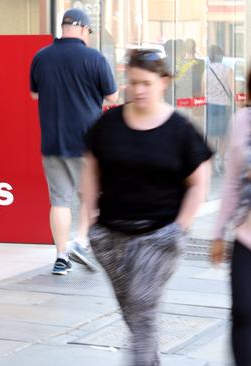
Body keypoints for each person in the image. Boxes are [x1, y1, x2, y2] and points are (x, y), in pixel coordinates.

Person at [83, 49, 212, 365]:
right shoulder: (108, 124)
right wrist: (89, 220)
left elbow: (200, 181)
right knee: (135, 312)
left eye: (146, 83)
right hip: (110, 237)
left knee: (141, 306)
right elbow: (90, 167)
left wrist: (180, 229)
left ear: (164, 82)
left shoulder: (179, 130)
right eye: (132, 83)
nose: (138, 90)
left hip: (159, 236)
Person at [29, 8, 118, 275]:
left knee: (59, 201)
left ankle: (61, 257)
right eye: (89, 32)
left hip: (53, 140)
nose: (89, 36)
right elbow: (112, 97)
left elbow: (34, 94)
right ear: (81, 28)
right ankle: (80, 241)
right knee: (90, 196)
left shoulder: (41, 57)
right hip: (87, 141)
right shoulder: (94, 59)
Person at [211, 69, 251, 366]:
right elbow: (232, 183)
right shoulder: (242, 122)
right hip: (246, 237)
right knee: (242, 311)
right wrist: (218, 232)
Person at [205, 45, 234, 173]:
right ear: (221, 56)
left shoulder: (206, 70)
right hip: (224, 105)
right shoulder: (227, 70)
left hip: (210, 105)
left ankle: (210, 164)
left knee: (211, 136)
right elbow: (232, 89)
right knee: (223, 136)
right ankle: (221, 162)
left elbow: (202, 90)